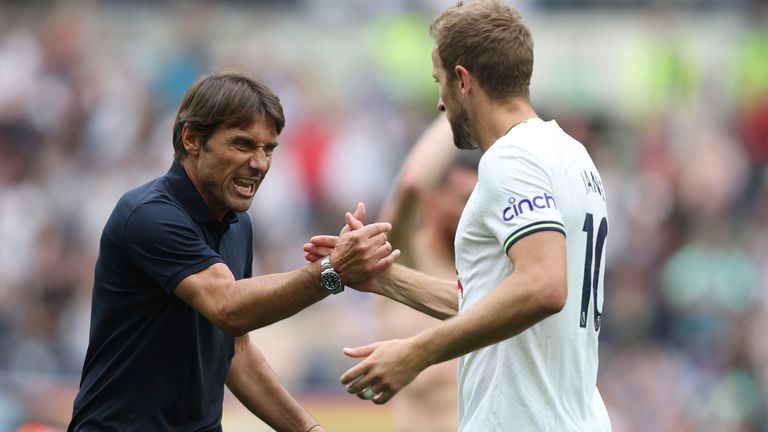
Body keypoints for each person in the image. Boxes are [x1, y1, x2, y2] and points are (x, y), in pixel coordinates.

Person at [305, 1, 612, 430]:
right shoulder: (571, 155)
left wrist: (416, 353)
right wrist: (384, 278)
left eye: (439, 82)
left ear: (463, 80)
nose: (439, 103)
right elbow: (502, 303)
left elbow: (543, 288)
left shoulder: (512, 159)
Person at [67, 71, 399, 432]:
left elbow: (235, 351)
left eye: (268, 148)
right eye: (243, 145)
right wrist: (333, 270)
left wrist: (309, 430)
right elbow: (229, 308)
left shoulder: (238, 224)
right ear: (192, 138)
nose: (259, 163)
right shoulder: (148, 215)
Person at [374, 115, 477, 432]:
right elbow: (412, 185)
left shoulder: (488, 271)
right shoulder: (402, 257)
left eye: (479, 200)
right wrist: (461, 107)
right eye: (463, 199)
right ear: (434, 201)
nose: (472, 210)